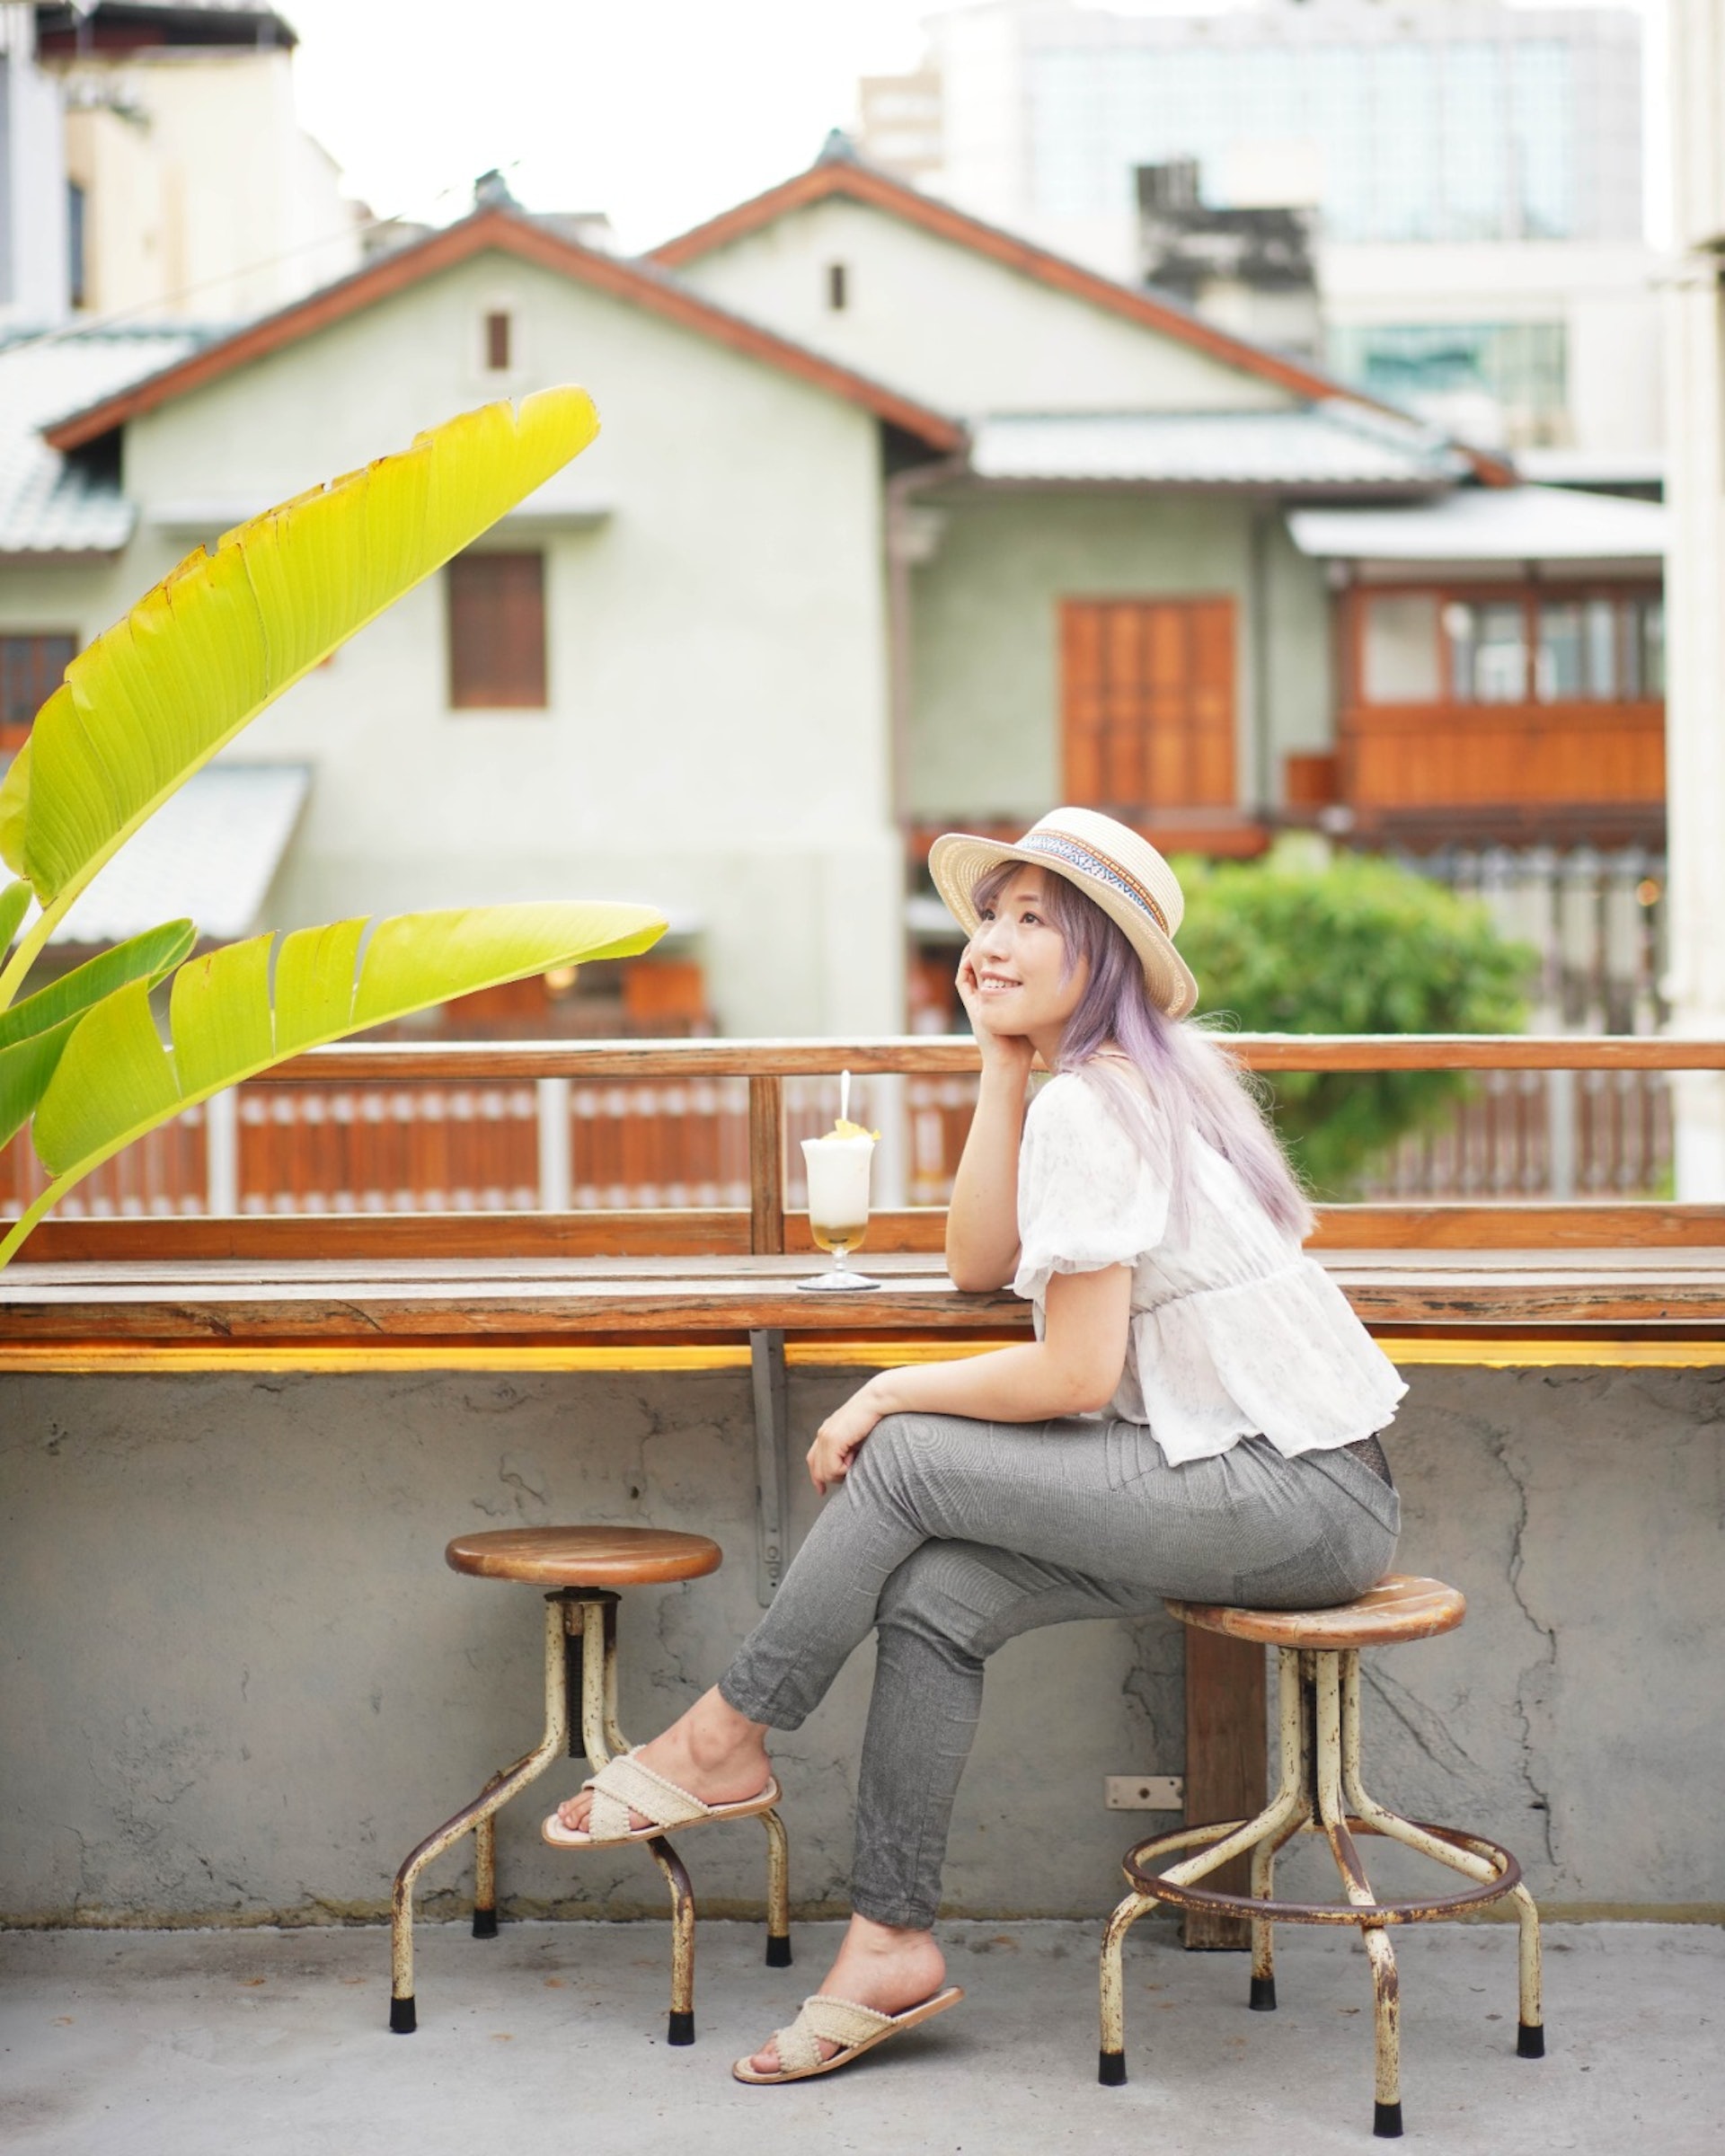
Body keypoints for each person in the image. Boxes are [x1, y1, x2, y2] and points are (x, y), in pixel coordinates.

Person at [542, 807, 1407, 2085]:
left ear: (1100, 957)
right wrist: (1000, 1069)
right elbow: (978, 1262)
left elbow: (1074, 1373)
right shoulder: (1096, 1088)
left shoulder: (1099, 1107)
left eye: (1032, 921)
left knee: (904, 1456)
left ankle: (728, 1735)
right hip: (1297, 1491)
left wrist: (890, 1388)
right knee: (940, 1601)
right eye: (989, 913)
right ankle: (890, 1941)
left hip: (1287, 1492)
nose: (990, 942)